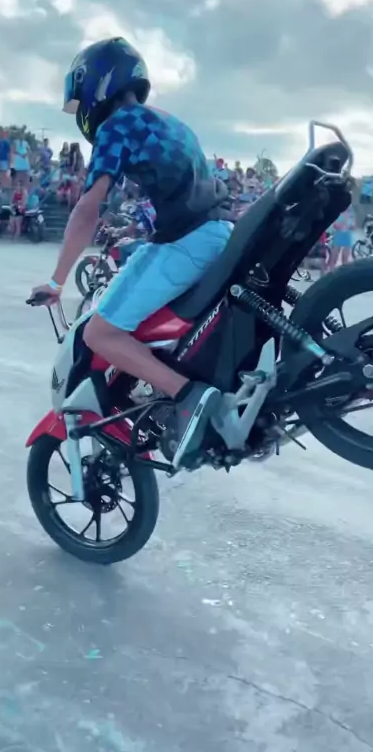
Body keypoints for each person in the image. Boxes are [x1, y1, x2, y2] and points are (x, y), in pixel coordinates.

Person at [30, 37, 232, 468]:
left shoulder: (117, 126)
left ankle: (187, 397)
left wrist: (56, 281)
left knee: (99, 334)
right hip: (218, 234)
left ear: (95, 85)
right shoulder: (170, 121)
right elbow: (181, 191)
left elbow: (88, 208)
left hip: (188, 242)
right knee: (137, 279)